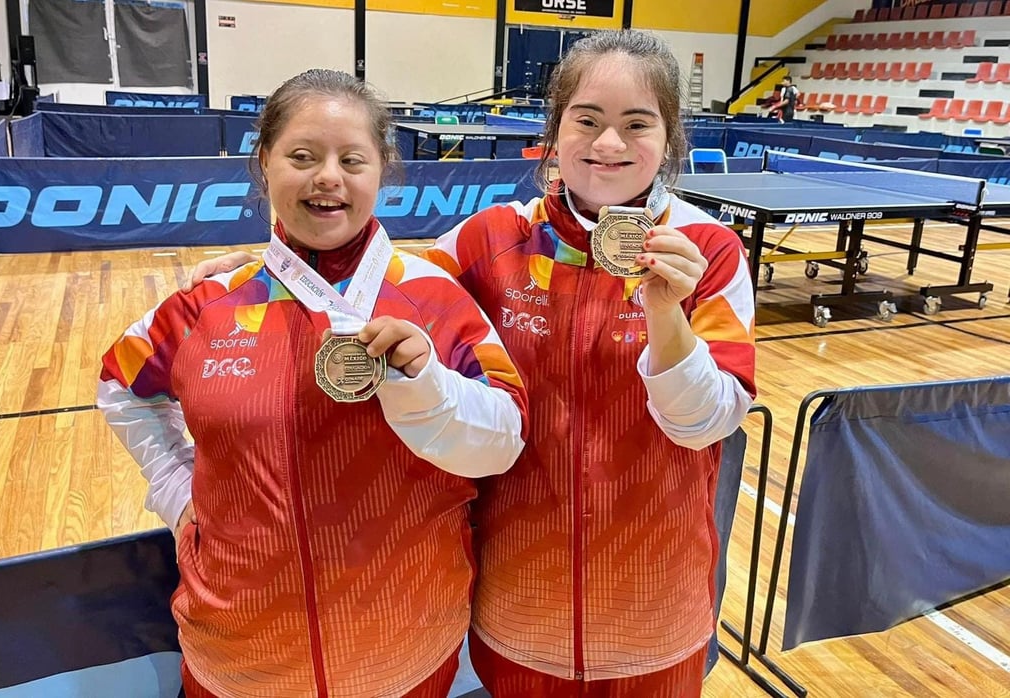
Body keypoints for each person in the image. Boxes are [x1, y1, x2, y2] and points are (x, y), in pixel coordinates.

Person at [190, 30, 756, 698]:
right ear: (555, 129)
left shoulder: (709, 252)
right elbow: (375, 286)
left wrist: (666, 314)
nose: (609, 145)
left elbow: (706, 424)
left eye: (637, 125)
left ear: (669, 138)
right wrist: (269, 274)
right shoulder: (486, 242)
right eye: (588, 120)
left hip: (654, 607)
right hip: (516, 603)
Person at [98, 68, 528, 698]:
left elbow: (505, 440)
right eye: (303, 155)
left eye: (352, 159)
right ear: (265, 162)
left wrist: (428, 385)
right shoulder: (207, 304)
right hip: (239, 656)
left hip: (406, 653)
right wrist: (175, 490)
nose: (329, 176)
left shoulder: (434, 298)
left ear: (381, 170)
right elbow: (121, 386)